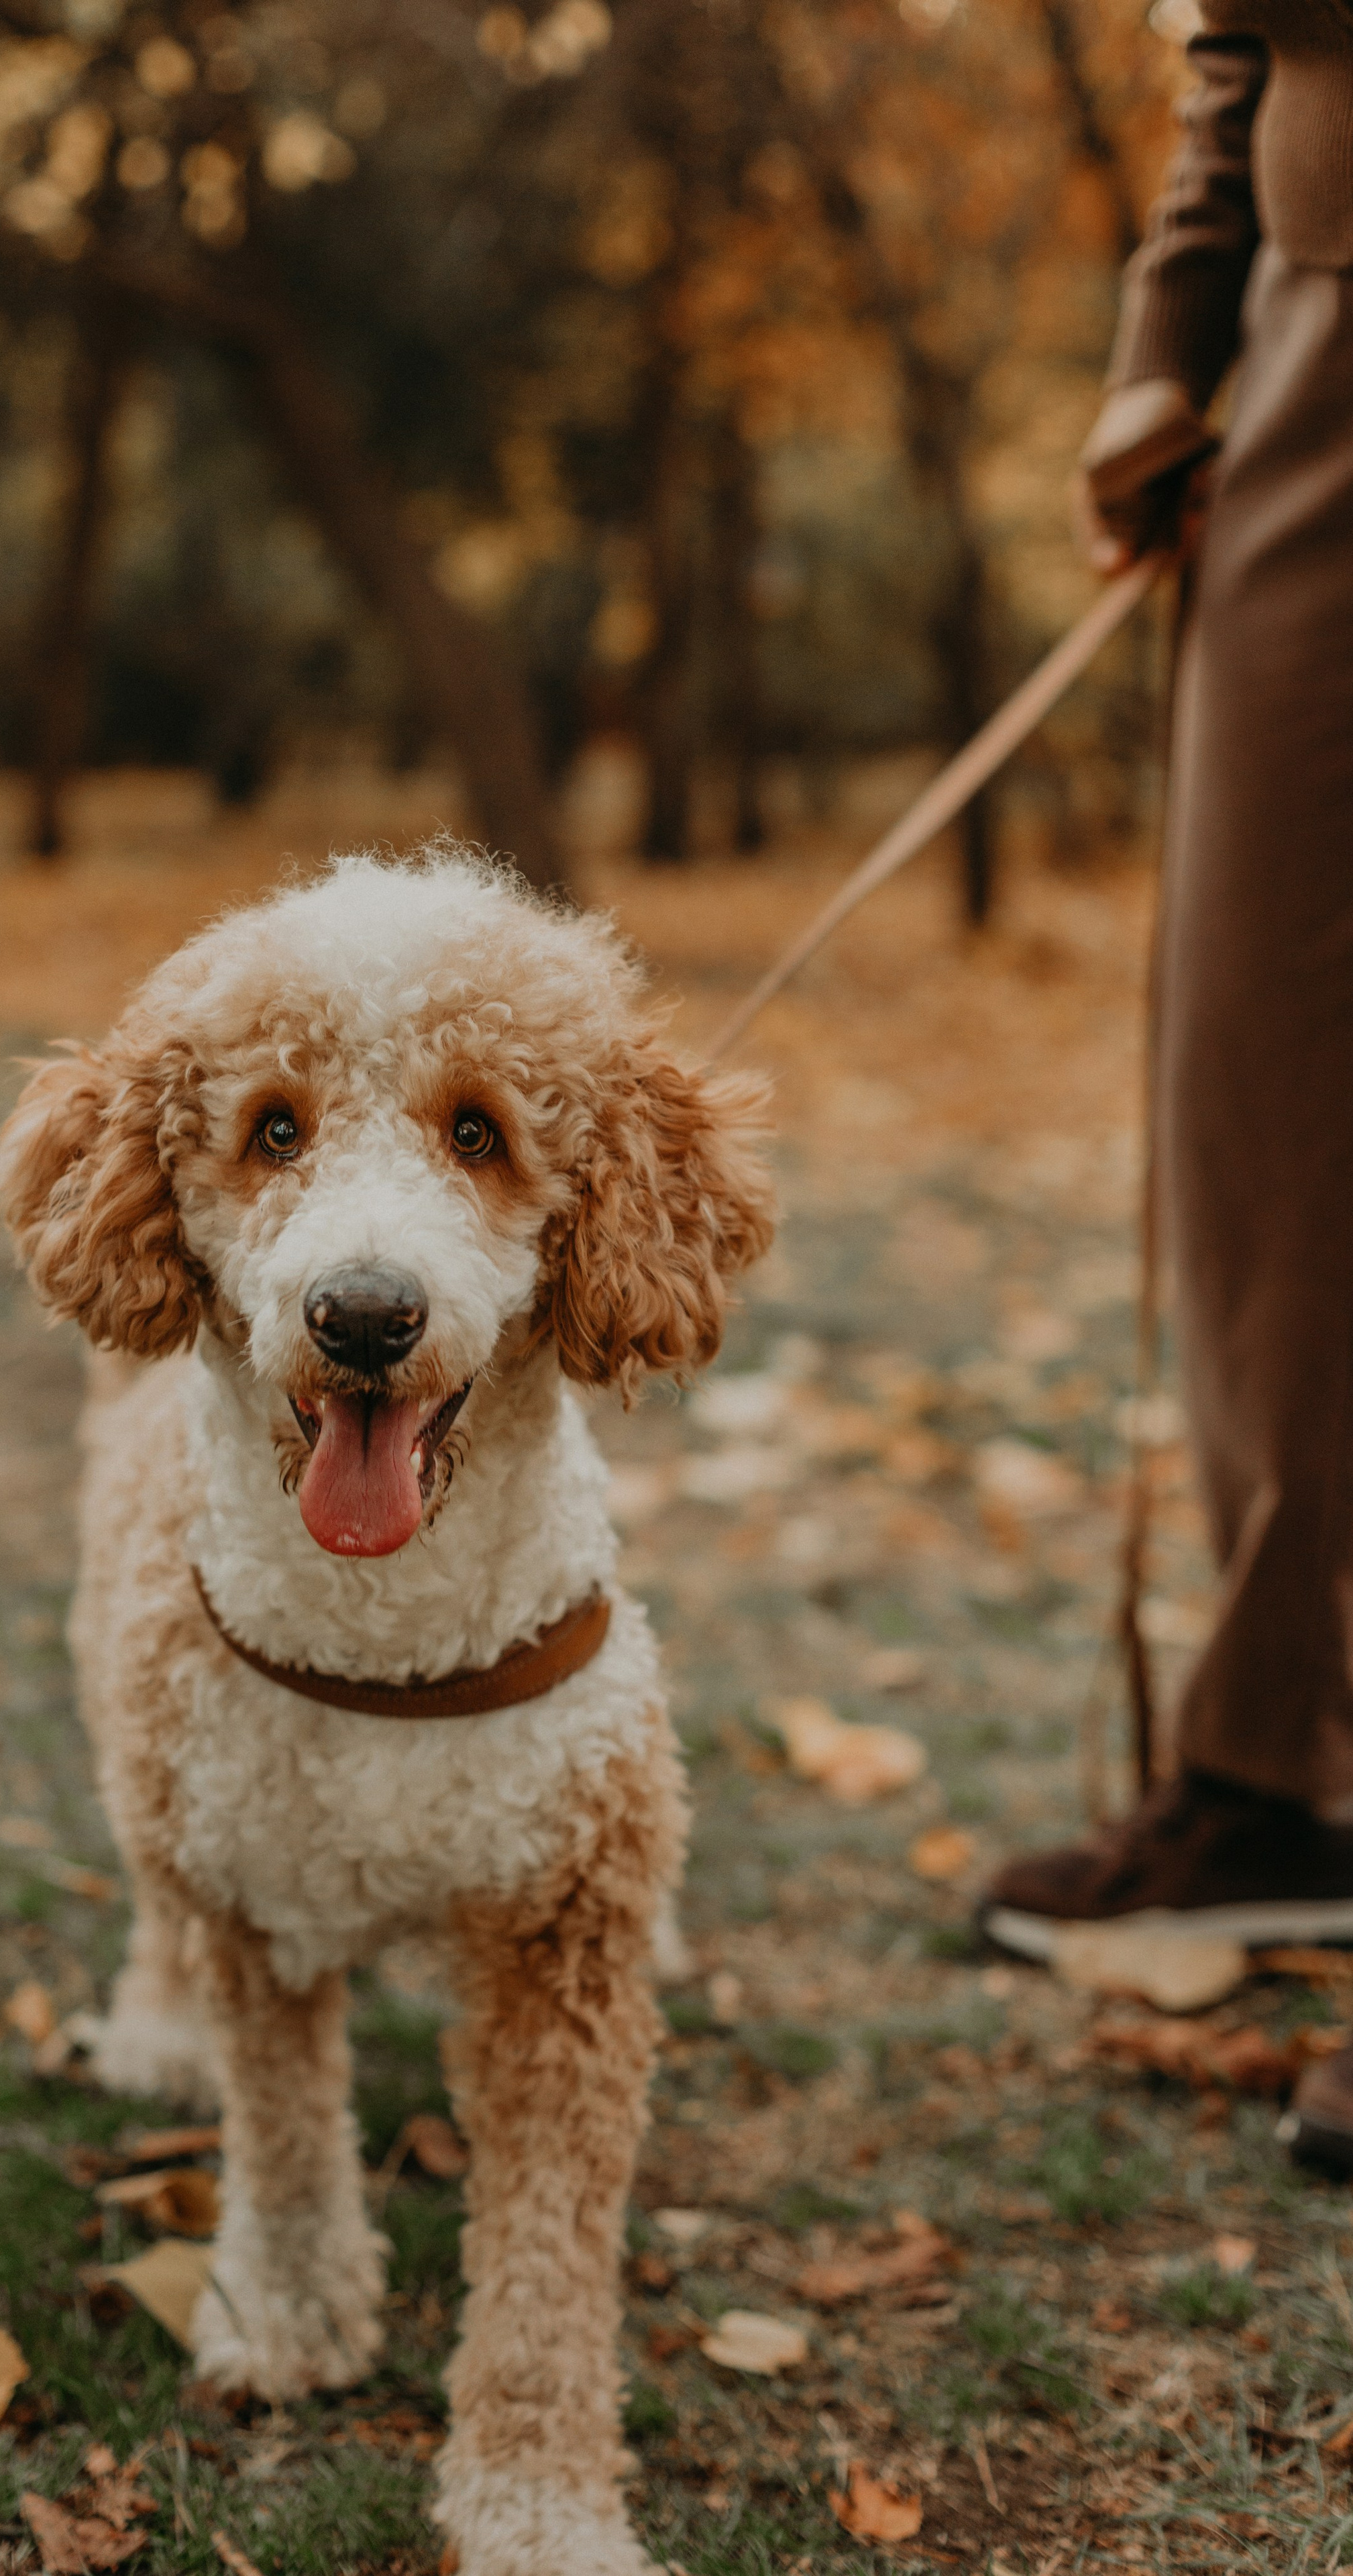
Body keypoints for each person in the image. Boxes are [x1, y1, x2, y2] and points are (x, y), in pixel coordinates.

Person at [977, 0, 1353, 2174]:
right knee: (1269, 1112)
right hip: (1321, 338)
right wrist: (1170, 336)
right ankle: (1287, 1756)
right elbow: (1235, 36)